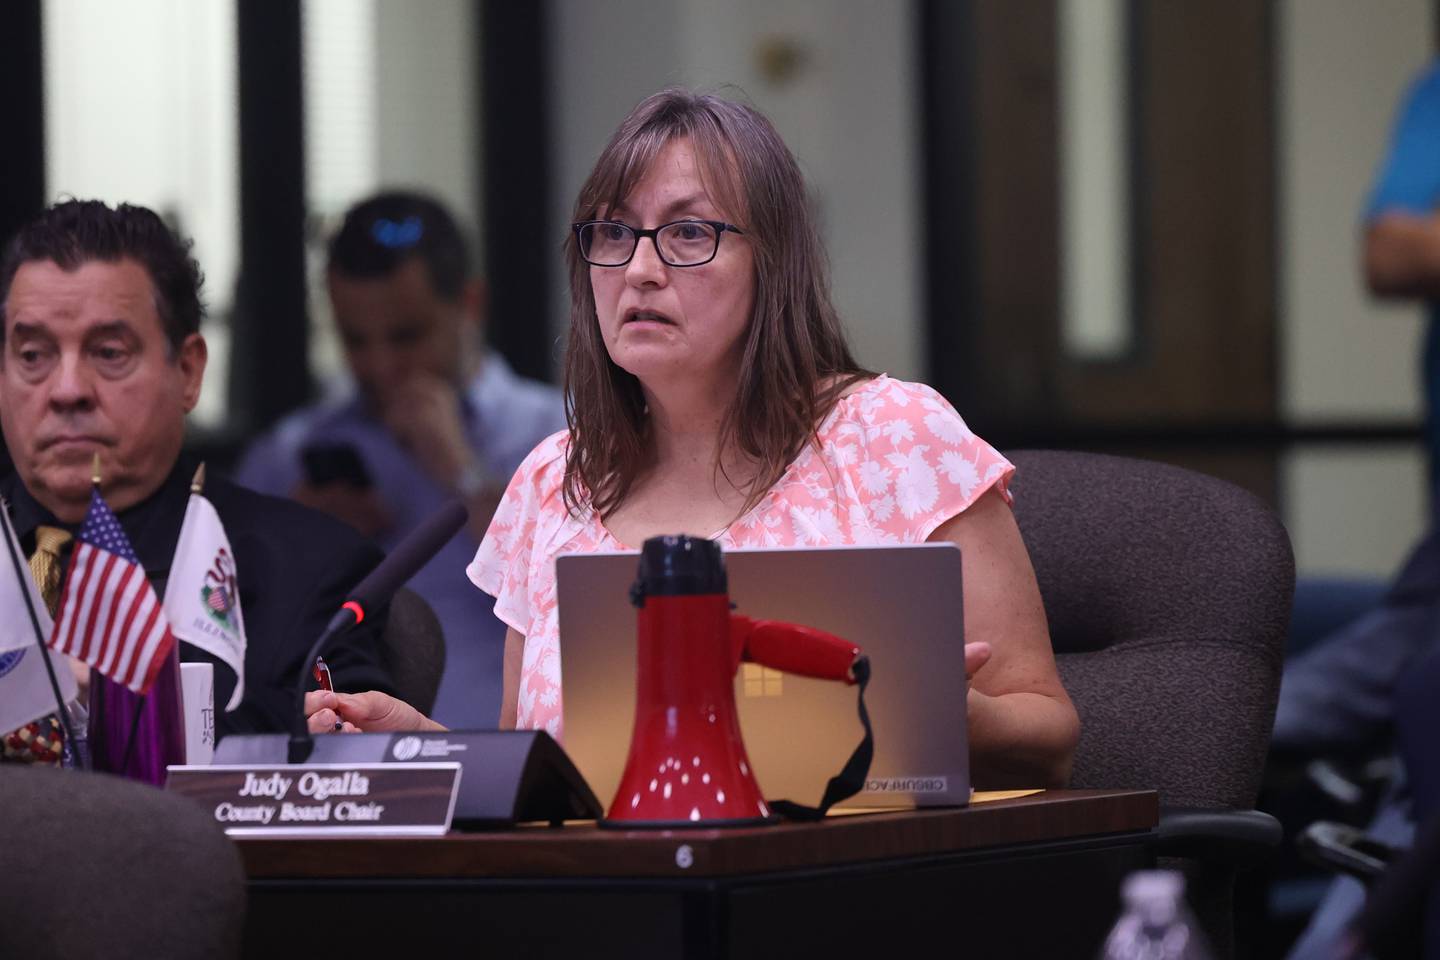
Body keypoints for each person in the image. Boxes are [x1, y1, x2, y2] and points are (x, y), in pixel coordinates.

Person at [307, 89, 1080, 789]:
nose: (639, 270)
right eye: (613, 232)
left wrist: (951, 715)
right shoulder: (553, 481)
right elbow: (540, 783)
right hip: (608, 905)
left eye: (686, 232)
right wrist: (420, 746)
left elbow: (1050, 734)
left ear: (771, 263)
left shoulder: (894, 439)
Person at [0, 199, 395, 757]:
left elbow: (350, 760)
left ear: (187, 371)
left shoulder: (307, 570)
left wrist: (124, 700)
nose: (67, 390)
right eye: (34, 354)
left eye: (108, 352)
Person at [234, 191, 565, 728]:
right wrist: (296, 543)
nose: (382, 365)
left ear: (469, 306)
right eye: (356, 340)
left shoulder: (557, 433)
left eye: (406, 336)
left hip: (512, 771)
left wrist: (464, 472)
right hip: (344, 773)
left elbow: (581, 605)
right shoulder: (287, 455)